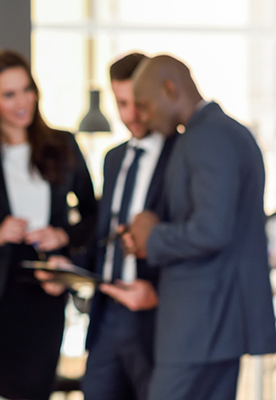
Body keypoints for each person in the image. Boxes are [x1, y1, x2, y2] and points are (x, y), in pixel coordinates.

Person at [125, 54, 276, 400]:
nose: (141, 117)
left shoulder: (208, 137)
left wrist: (153, 237)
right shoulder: (221, 132)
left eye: (145, 106)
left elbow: (212, 230)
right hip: (215, 320)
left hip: (200, 322)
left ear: (170, 89)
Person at [37, 52, 176, 400]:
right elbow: (105, 237)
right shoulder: (113, 159)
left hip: (154, 319)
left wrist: (161, 294)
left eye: (137, 103)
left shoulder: (180, 155)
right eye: (121, 103)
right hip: (106, 318)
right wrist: (70, 268)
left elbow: (187, 238)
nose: (130, 115)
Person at [0, 49, 98, 399]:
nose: (22, 101)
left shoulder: (61, 144)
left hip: (47, 287)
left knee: (39, 387)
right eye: (8, 94)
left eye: (27, 89)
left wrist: (63, 235)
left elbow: (93, 213)